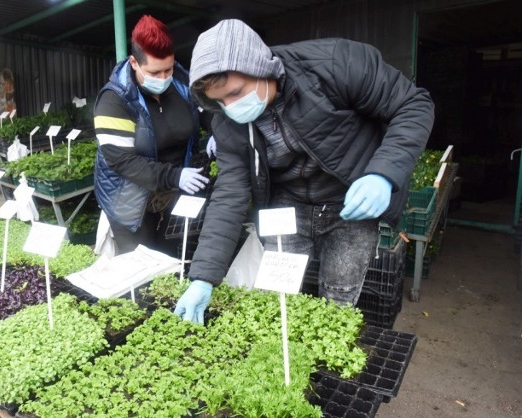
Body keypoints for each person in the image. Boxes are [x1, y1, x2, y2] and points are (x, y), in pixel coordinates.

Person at [174, 19, 435, 323]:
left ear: (261, 67)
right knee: (276, 297)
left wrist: (384, 173)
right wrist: (203, 276)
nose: (230, 106)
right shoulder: (226, 122)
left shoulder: (333, 64)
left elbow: (413, 105)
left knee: (339, 294)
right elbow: (230, 194)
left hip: (349, 200)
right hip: (287, 202)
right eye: (219, 100)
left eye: (236, 92)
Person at [93, 15, 209, 257]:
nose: (164, 77)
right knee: (141, 269)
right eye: (156, 72)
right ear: (135, 63)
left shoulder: (180, 82)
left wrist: (216, 129)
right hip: (130, 202)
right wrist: (174, 176)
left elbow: (203, 110)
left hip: (171, 194)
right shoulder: (115, 100)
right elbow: (121, 161)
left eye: (168, 68)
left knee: (172, 260)